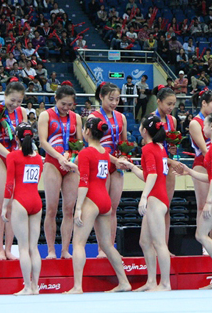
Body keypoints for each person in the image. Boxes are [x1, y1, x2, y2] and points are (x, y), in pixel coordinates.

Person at [64, 117, 131, 294]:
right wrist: (69, 163)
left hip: (91, 199)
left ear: (86, 132)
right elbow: (80, 166)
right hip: (105, 201)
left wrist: (78, 207)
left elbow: (84, 182)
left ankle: (78, 286)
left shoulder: (86, 153)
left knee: (78, 243)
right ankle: (124, 281)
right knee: (108, 245)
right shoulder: (104, 152)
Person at [176, 112, 212, 289]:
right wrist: (189, 171)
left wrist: (209, 201)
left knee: (200, 234)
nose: (202, 128)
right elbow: (210, 176)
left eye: (205, 125)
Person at [121, 115, 171, 292]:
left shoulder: (149, 149)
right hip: (158, 195)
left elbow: (153, 176)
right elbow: (149, 174)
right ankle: (151, 281)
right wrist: (133, 167)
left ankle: (165, 283)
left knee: (159, 243)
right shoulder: (159, 148)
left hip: (156, 197)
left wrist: (144, 197)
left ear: (143, 131)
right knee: (145, 241)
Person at [38, 82, 82, 259]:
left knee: (69, 209)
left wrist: (71, 159)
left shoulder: (76, 118)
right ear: (55, 99)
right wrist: (59, 157)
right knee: (51, 209)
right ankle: (50, 250)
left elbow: (79, 143)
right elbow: (43, 142)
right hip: (52, 162)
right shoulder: (45, 115)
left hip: (71, 164)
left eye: (69, 105)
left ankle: (65, 250)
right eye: (63, 104)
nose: (66, 108)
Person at [0, 79, 27, 260]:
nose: (15, 104)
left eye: (19, 101)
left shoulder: (22, 113)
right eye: (12, 100)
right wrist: (10, 156)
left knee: (11, 207)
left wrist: (21, 154)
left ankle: (10, 248)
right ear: (4, 96)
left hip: (16, 158)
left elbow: (24, 139)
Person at [1, 123, 43, 295]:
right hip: (36, 201)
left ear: (16, 138)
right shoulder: (39, 158)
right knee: (34, 247)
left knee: (24, 247)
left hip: (20, 200)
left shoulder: (13, 156)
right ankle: (36, 286)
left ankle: (27, 286)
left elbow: (10, 183)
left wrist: (4, 206)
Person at [89, 82, 129, 257]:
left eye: (117, 99)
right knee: (102, 209)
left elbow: (125, 142)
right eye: (111, 99)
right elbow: (93, 145)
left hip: (117, 165)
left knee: (113, 208)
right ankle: (101, 249)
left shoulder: (121, 117)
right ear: (101, 97)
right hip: (101, 164)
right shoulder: (93, 117)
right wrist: (114, 159)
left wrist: (125, 156)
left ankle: (111, 248)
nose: (114, 103)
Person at [190, 89, 212, 222]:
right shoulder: (195, 122)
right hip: (202, 164)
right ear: (204, 103)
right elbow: (204, 150)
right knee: (203, 206)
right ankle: (202, 239)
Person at [151, 85, 178, 242]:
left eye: (173, 104)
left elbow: (171, 142)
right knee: (156, 208)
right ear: (159, 101)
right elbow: (148, 147)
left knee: (166, 207)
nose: (171, 107)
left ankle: (164, 246)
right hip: (155, 166)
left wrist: (173, 149)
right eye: (168, 104)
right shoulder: (150, 119)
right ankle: (154, 244)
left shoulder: (172, 120)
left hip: (169, 165)